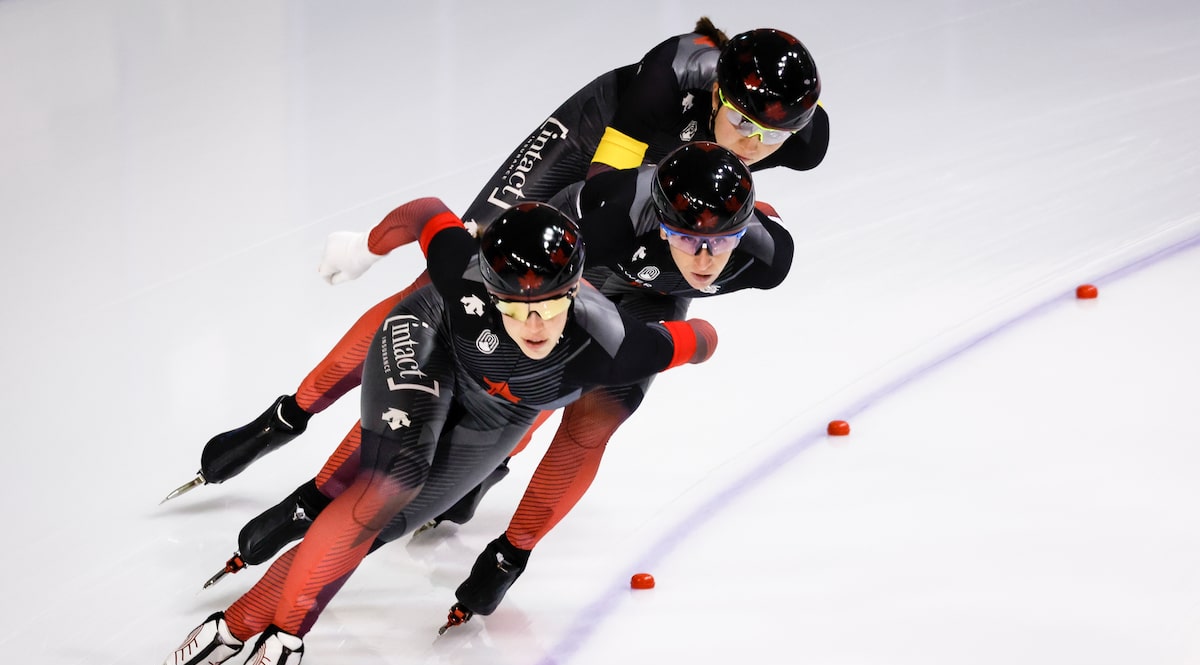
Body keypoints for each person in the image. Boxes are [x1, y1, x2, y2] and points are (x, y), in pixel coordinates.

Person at [164, 20, 825, 503]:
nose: (753, 143)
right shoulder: (671, 75)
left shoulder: (801, 140)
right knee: (463, 282)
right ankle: (287, 415)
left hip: (670, 196)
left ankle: (491, 448)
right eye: (742, 123)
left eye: (774, 136)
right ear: (715, 96)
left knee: (561, 332)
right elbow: (601, 194)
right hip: (593, 157)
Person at [136, 201, 719, 665]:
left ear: (575, 296)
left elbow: (700, 339)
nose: (535, 325)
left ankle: (226, 632)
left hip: (503, 410)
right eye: (516, 307)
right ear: (490, 292)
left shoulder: (615, 343)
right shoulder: (460, 275)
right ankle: (285, 641)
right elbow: (427, 214)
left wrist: (698, 326)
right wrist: (366, 247)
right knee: (392, 482)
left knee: (375, 529)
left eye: (551, 306)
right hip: (427, 338)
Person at [209, 142, 794, 635]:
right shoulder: (610, 214)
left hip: (634, 309)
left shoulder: (765, 259)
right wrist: (368, 247)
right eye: (687, 237)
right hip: (567, 273)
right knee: (486, 338)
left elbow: (684, 337)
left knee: (590, 412)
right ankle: (318, 485)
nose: (705, 257)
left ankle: (506, 551)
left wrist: (693, 337)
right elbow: (466, 277)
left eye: (722, 242)